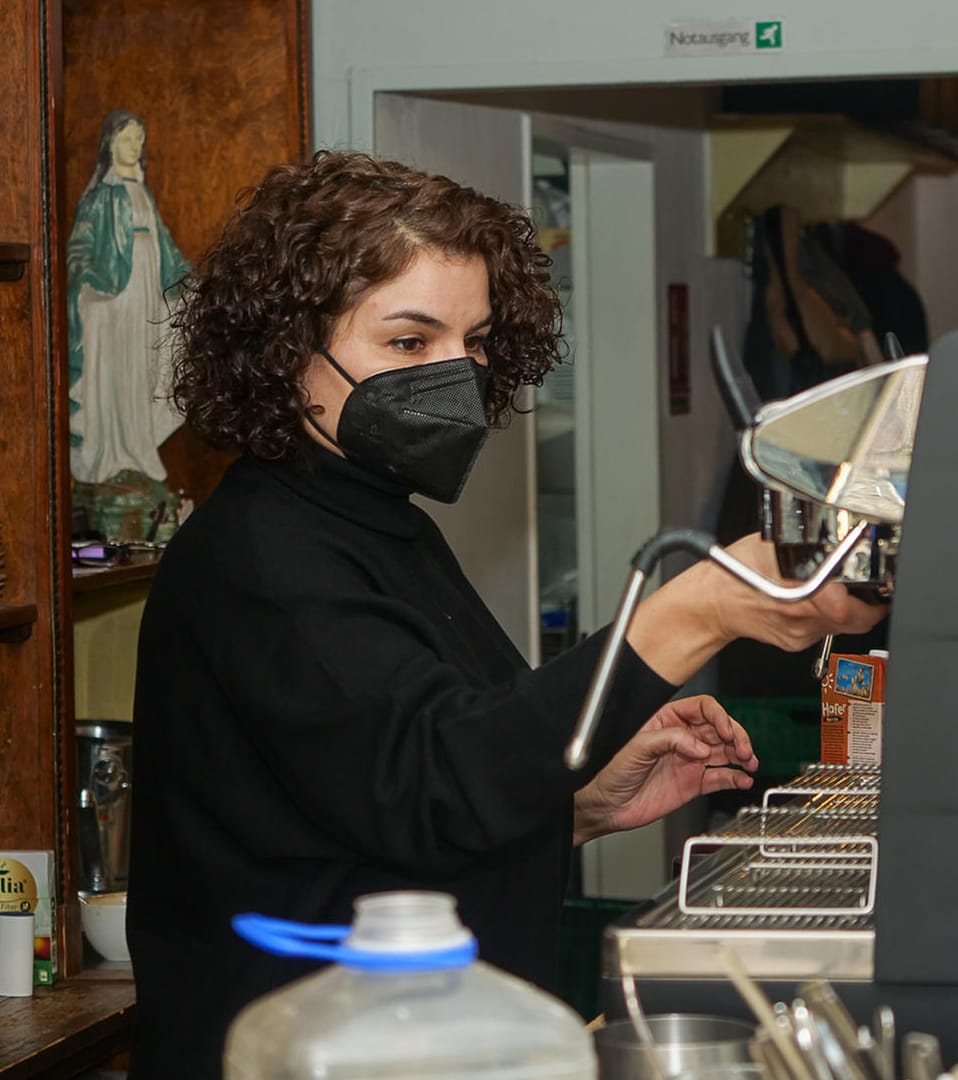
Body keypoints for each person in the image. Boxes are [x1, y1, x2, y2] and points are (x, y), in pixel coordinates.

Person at [125, 150, 886, 1079]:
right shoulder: (261, 560)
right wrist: (704, 607)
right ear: (286, 354)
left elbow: (390, 797)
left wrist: (574, 804)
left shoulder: (381, 523)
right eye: (409, 343)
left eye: (475, 342)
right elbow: (435, 781)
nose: (456, 376)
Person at [65, 109, 189, 513]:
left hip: (146, 294)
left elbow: (165, 246)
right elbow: (80, 248)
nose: (134, 146)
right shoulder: (102, 195)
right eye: (126, 139)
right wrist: (89, 279)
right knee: (115, 375)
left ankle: (136, 449)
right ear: (109, 145)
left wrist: (187, 281)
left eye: (139, 139)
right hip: (114, 302)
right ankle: (111, 454)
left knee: (142, 369)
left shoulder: (142, 192)